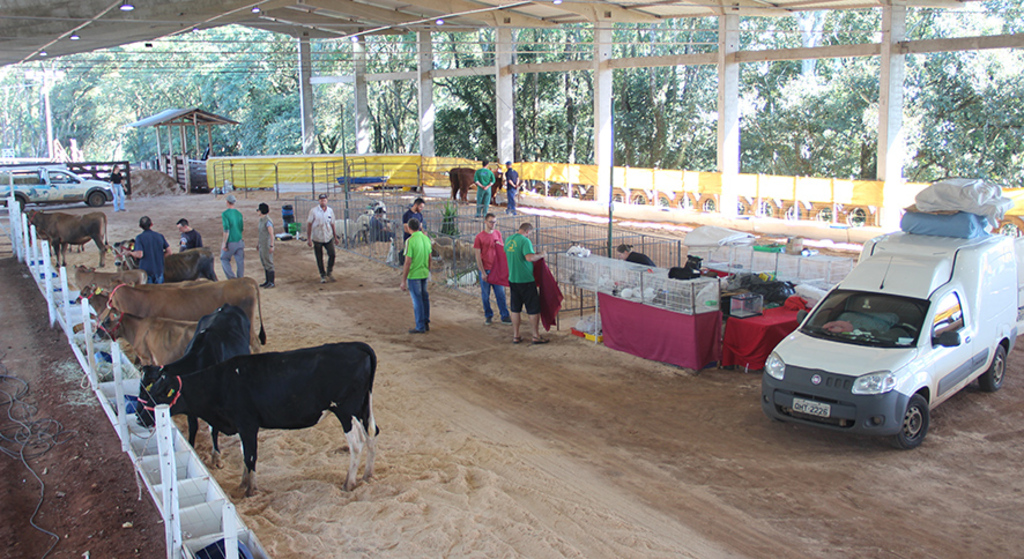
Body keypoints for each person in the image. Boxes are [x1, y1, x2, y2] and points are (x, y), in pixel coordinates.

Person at [505, 222, 548, 344]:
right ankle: (535, 335)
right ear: (527, 232)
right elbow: (529, 257)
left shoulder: (509, 240)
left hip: (513, 279)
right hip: (526, 280)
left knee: (515, 309)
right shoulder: (525, 241)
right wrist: (541, 255)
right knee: (533, 309)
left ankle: (516, 335)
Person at [474, 213, 510, 325]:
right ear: (485, 222)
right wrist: (482, 272)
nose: (493, 224)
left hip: (496, 269)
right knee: (485, 295)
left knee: (500, 294)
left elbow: (502, 251)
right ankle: (488, 315)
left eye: (494, 222)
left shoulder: (498, 234)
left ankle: (504, 315)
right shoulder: (479, 237)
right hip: (486, 269)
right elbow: (477, 256)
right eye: (491, 222)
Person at [400, 217, 431, 334]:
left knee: (417, 300)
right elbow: (429, 257)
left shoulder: (410, 241)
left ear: (408, 228)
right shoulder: (426, 238)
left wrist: (403, 280)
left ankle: (420, 325)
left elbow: (407, 261)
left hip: (414, 274)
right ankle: (426, 322)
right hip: (424, 272)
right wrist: (429, 270)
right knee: (424, 298)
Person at [306, 193, 339, 283]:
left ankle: (329, 271)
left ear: (327, 201)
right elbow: (309, 224)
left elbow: (332, 224)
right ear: (319, 201)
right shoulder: (313, 211)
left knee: (332, 254)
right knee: (319, 257)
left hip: (328, 236)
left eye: (324, 200)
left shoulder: (330, 211)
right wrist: (309, 238)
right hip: (317, 237)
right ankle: (322, 274)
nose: (323, 202)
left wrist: (335, 237)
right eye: (321, 200)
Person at [129, 216, 171, 284]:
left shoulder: (139, 238)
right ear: (151, 224)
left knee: (149, 292)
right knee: (159, 291)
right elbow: (169, 252)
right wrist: (159, 257)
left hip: (146, 271)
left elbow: (140, 254)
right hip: (159, 269)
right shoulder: (159, 236)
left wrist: (130, 253)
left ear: (140, 226)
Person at [220, 195, 245, 279]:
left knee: (224, 259)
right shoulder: (239, 213)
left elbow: (226, 229)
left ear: (227, 202)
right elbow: (241, 228)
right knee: (240, 261)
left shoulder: (225, 214)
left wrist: (224, 243)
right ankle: (240, 278)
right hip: (239, 240)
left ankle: (232, 278)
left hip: (230, 241)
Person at [256, 202, 275, 288]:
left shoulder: (267, 221)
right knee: (264, 261)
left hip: (266, 245)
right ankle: (268, 281)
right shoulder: (262, 220)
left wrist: (271, 245)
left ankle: (271, 282)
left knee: (268, 262)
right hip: (262, 245)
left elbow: (271, 234)